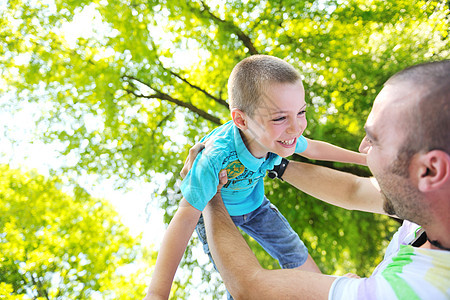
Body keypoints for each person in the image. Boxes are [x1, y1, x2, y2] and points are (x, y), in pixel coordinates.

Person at [184, 59, 450, 299]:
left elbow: (250, 287)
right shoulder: (430, 204)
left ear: (430, 170)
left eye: (375, 140)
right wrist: (275, 161)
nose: (362, 147)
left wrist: (210, 192)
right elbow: (353, 190)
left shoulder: (414, 291)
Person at [144, 55, 366, 299]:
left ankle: (328, 293)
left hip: (255, 205)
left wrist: (365, 159)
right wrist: (157, 293)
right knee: (237, 277)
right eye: (280, 117)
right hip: (219, 215)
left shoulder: (279, 135)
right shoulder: (214, 158)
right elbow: (184, 217)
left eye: (301, 112)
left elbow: (313, 148)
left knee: (292, 248)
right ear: (241, 119)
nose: (296, 127)